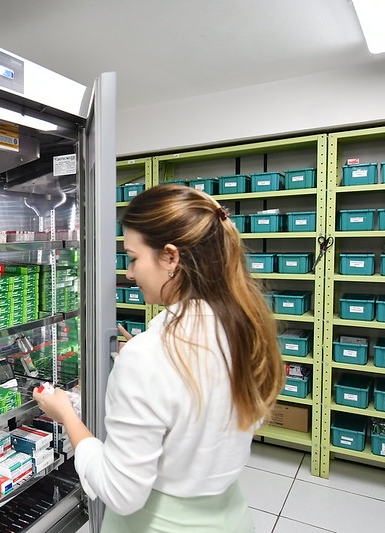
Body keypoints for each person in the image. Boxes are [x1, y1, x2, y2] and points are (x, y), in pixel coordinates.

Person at [33, 183, 284, 532]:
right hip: (230, 517)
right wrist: (143, 360)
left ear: (170, 257)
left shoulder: (149, 356)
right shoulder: (246, 329)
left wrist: (67, 418)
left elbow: (121, 493)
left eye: (134, 258)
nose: (129, 274)